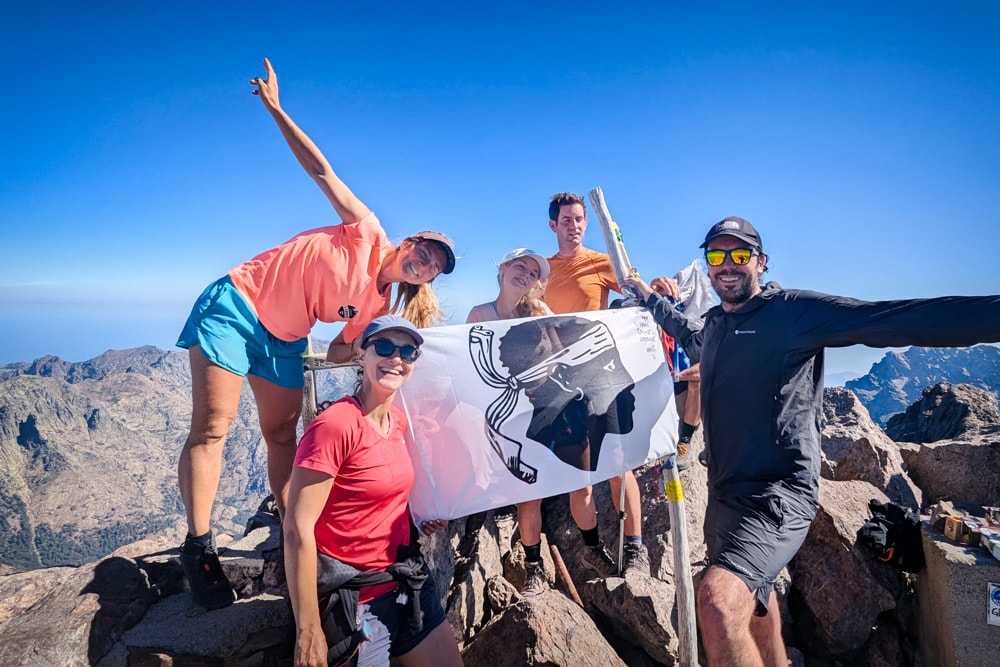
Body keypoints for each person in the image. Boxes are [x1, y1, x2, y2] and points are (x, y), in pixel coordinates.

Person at [625, 216, 1000, 667]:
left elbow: (887, 319)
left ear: (760, 263)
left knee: (718, 603)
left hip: (777, 494)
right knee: (756, 605)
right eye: (717, 255)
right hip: (725, 493)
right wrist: (646, 297)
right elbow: (688, 333)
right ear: (706, 265)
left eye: (739, 255)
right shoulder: (716, 325)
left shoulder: (792, 314)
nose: (727, 264)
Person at [174, 59, 456, 610]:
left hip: (285, 339)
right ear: (409, 242)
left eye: (436, 264)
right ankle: (199, 545)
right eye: (424, 248)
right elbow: (321, 171)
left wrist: (379, 348)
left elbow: (335, 349)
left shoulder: (376, 304)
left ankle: (290, 530)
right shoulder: (367, 231)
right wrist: (277, 110)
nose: (425, 261)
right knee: (213, 425)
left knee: (282, 434)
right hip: (237, 305)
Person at [284, 315, 463, 667]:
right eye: (384, 346)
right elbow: (296, 527)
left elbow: (382, 492)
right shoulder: (335, 426)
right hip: (357, 598)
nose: (396, 358)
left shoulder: (398, 422)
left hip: (405, 582)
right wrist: (308, 629)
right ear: (361, 354)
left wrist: (420, 516)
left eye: (407, 351)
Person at [543, 192, 677, 577]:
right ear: (553, 225)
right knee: (579, 474)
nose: (575, 225)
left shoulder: (601, 263)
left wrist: (657, 285)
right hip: (562, 387)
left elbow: (635, 290)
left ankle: (635, 550)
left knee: (620, 465)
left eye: (580, 219)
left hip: (601, 379)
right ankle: (592, 549)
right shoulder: (543, 271)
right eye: (566, 220)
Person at [466, 248, 554, 596]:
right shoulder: (479, 313)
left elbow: (562, 345)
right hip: (488, 412)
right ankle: (470, 546)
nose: (526, 275)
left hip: (527, 413)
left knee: (527, 494)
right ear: (502, 268)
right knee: (481, 481)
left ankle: (533, 566)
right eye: (521, 266)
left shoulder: (537, 313)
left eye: (533, 273)